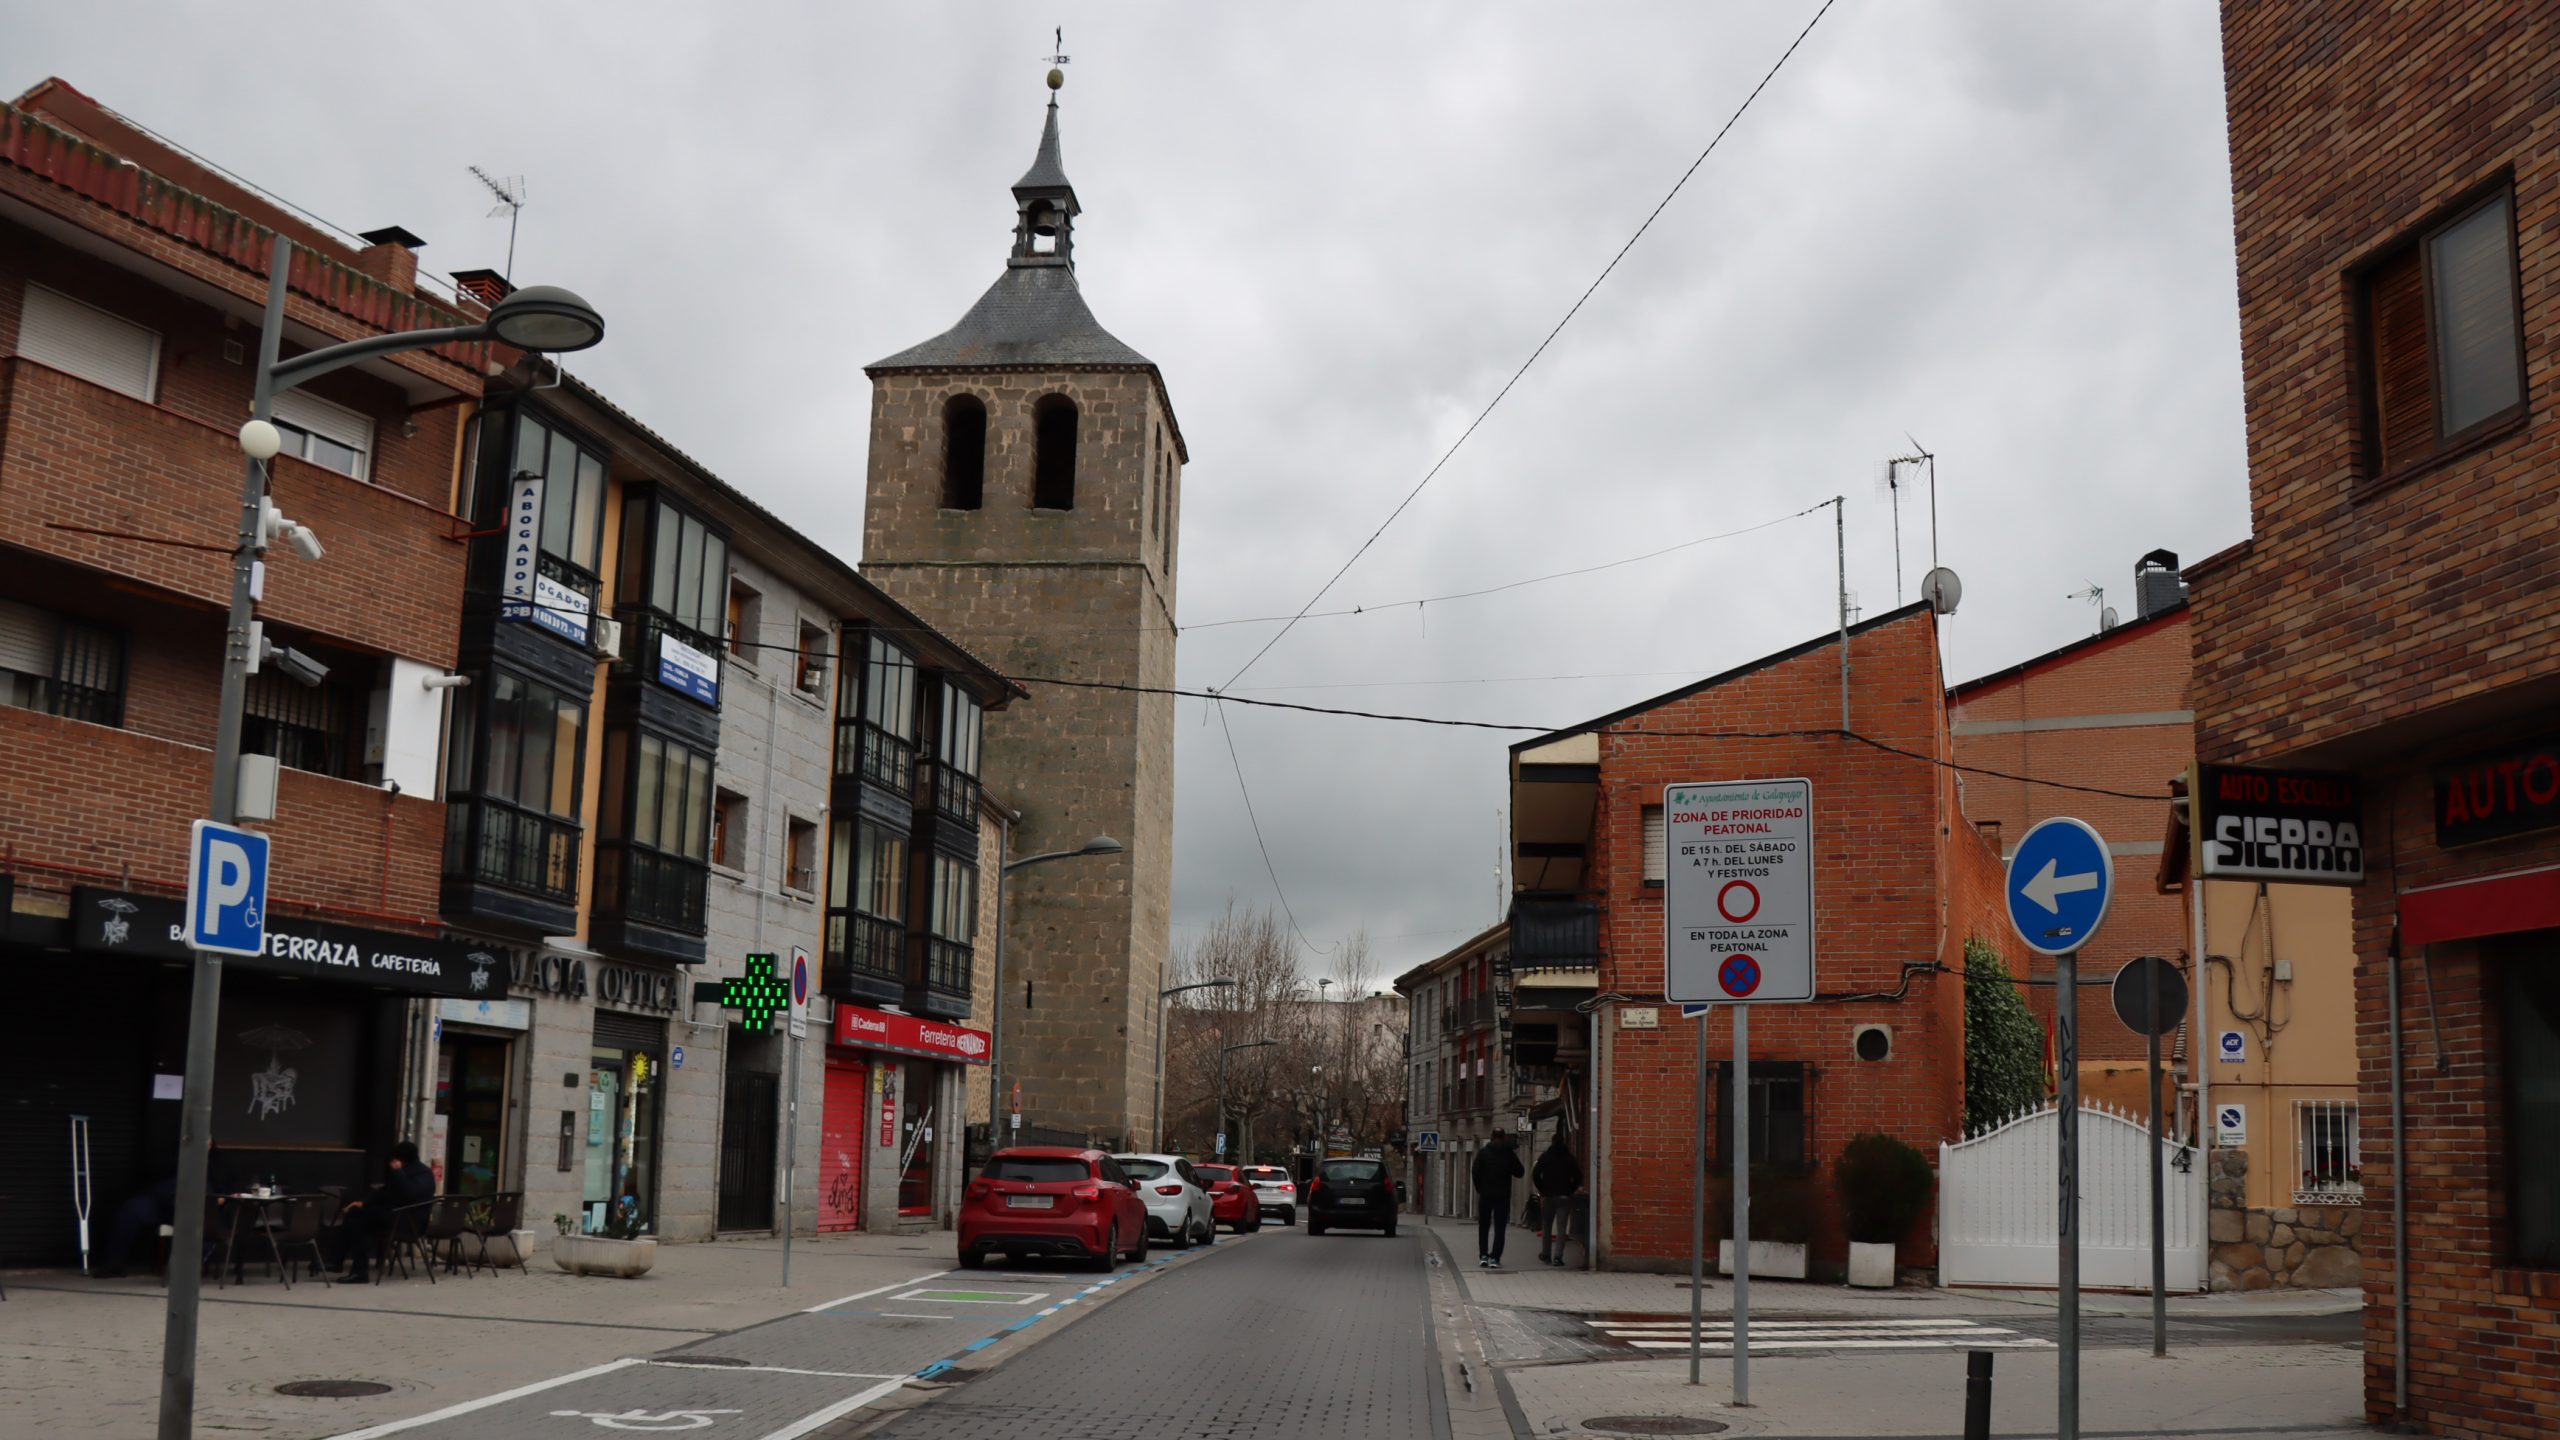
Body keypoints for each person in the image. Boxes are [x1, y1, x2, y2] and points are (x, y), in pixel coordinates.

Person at [336, 1140, 434, 1282]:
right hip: (395, 1216)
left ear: (401, 1159)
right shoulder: (407, 1171)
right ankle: (347, 1265)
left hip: (408, 1221)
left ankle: (353, 1268)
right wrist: (363, 1202)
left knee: (356, 1219)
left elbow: (409, 1193)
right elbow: (385, 1192)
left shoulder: (422, 1174)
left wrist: (398, 1172)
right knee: (355, 1220)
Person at [1471, 1132, 1525, 1270]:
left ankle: (1483, 1256)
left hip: (1485, 1195)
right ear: (1503, 1138)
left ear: (1491, 1137)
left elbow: (1475, 1171)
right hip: (1502, 1196)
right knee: (1500, 1228)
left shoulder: (1483, 1153)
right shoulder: (1508, 1154)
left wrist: (1480, 1188)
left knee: (1483, 1226)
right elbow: (1520, 1172)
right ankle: (1495, 1258)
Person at [1532, 1134, 1584, 1266]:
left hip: (1548, 1196)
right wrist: (1571, 1190)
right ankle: (1558, 1257)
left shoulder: (1545, 1156)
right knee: (1561, 1229)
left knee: (1547, 1227)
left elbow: (1536, 1173)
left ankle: (1545, 1253)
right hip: (1564, 1197)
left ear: (1552, 1141)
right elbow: (1578, 1176)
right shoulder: (1569, 1158)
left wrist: (1542, 1189)